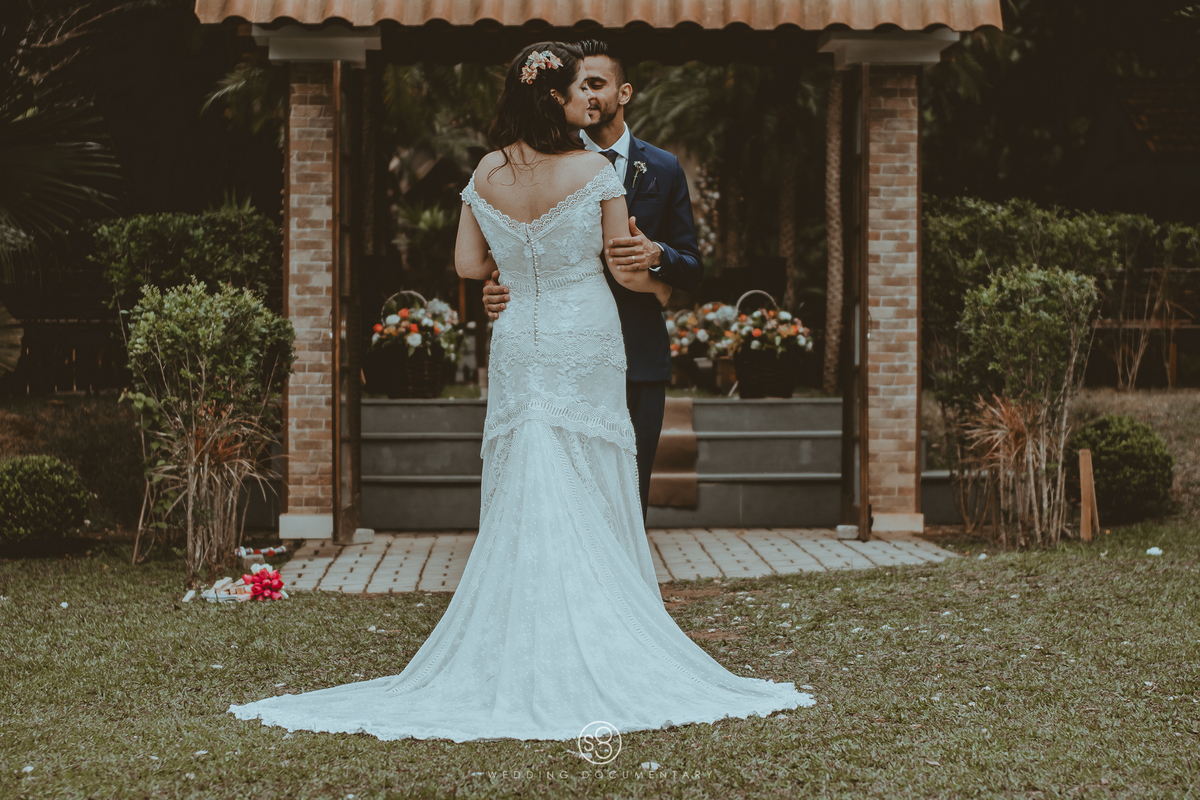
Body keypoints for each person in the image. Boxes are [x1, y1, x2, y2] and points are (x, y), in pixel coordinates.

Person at [228, 42, 812, 743]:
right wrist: (647, 277)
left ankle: (521, 631)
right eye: (576, 89)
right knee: (589, 473)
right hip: (585, 336)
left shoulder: (486, 171)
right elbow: (621, 271)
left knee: (527, 472)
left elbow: (467, 263)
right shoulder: (595, 170)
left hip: (519, 342)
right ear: (555, 99)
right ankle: (600, 629)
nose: (586, 99)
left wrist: (514, 275)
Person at [483, 39, 704, 520]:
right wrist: (505, 281)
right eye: (578, 84)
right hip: (562, 353)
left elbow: (694, 266)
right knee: (565, 491)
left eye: (596, 84)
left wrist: (658, 255)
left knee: (629, 492)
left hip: (638, 351)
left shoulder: (663, 168)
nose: (586, 94)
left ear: (624, 93)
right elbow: (518, 246)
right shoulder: (536, 164)